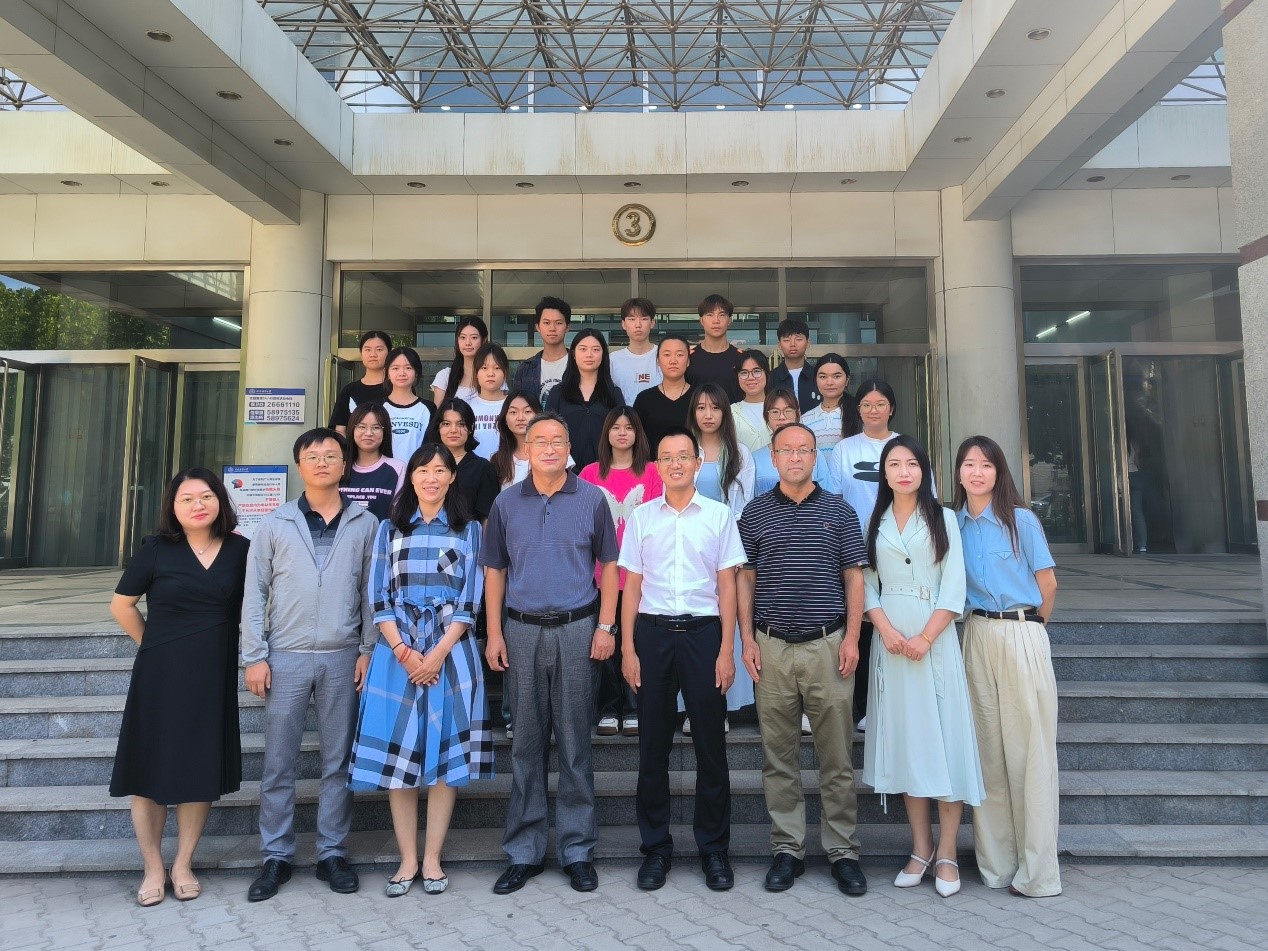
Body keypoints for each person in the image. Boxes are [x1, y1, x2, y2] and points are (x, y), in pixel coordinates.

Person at [480, 413, 619, 895]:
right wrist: (493, 633)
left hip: (578, 629)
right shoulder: (505, 502)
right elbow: (494, 570)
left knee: (576, 742)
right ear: (525, 448)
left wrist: (606, 626)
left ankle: (577, 850)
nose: (549, 448)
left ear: (568, 447)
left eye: (558, 440)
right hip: (520, 630)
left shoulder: (592, 499)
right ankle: (525, 850)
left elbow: (609, 566)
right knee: (526, 743)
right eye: (539, 440)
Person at [348, 443, 492, 897]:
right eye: (423, 470)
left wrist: (437, 653)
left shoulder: (470, 530)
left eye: (440, 471)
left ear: (453, 478)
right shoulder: (389, 528)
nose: (432, 478)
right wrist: (405, 651)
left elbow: (471, 599)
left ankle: (432, 858)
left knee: (445, 759)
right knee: (400, 758)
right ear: (410, 477)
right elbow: (378, 595)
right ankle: (407, 859)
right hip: (398, 655)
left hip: (453, 651)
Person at [241, 428, 378, 902]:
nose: (322, 462)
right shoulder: (275, 523)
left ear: (345, 465)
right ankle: (275, 856)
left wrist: (368, 649)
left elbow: (371, 593)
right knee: (278, 763)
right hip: (286, 656)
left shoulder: (365, 523)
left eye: (331, 455)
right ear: (299, 465)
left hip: (343, 656)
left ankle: (331, 854)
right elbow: (254, 594)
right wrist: (255, 656)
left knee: (338, 761)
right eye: (313, 456)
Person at [737, 422, 868, 898]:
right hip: (771, 646)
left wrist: (852, 638)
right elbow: (745, 579)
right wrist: (747, 640)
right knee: (779, 757)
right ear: (773, 458)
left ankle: (843, 852)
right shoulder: (754, 513)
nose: (795, 457)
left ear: (816, 457)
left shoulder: (840, 511)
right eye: (786, 450)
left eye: (803, 450)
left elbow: (854, 577)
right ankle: (787, 849)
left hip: (827, 646)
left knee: (836, 757)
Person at [109, 468, 249, 907]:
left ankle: (183, 863)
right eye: (186, 498)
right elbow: (122, 606)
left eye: (205, 496)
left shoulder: (241, 550)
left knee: (198, 770)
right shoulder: (156, 549)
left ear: (220, 501)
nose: (197, 505)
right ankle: (153, 867)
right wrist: (153, 644)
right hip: (160, 673)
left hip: (212, 674)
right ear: (173, 506)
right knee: (148, 771)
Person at [861, 435, 982, 899]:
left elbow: (954, 586)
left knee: (945, 742)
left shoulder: (944, 518)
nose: (904, 472)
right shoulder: (875, 521)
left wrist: (926, 637)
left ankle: (948, 852)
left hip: (935, 638)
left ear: (924, 470)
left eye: (912, 464)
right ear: (884, 473)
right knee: (909, 744)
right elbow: (866, 584)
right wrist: (885, 630)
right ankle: (921, 848)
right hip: (891, 641)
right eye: (895, 464)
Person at [954, 434, 1061, 898]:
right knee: (988, 755)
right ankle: (997, 866)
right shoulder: (954, 524)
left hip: (1021, 632)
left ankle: (1038, 873)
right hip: (975, 633)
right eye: (969, 464)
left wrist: (1032, 630)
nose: (977, 472)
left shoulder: (1021, 520)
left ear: (999, 472)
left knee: (1030, 753)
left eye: (986, 464)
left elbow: (1048, 585)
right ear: (958, 473)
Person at [822, 379, 907, 730]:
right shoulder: (845, 449)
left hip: (899, 549)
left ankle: (895, 703)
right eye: (867, 405)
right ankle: (863, 705)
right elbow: (835, 499)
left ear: (891, 408)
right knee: (861, 626)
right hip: (855, 549)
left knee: (895, 620)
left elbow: (926, 498)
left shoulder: (905, 447)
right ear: (858, 411)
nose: (873, 410)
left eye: (880, 404)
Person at [579, 407, 664, 738]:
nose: (623, 433)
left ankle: (634, 708)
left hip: (641, 575)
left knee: (637, 643)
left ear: (638, 433)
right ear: (607, 433)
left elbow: (658, 521)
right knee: (606, 641)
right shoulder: (590, 473)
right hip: (600, 575)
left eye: (629, 427)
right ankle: (609, 708)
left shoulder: (652, 472)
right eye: (616, 427)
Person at [545, 328, 625, 472]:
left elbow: (622, 432)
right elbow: (547, 433)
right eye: (583, 349)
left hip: (605, 471)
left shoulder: (613, 393)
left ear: (603, 354)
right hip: (565, 472)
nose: (589, 354)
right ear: (573, 354)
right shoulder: (558, 393)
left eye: (596, 349)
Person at [425, 398, 500, 522]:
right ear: (438, 428)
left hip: (468, 533)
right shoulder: (424, 463)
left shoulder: (483, 468)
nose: (453, 430)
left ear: (470, 428)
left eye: (461, 424)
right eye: (446, 424)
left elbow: (487, 518)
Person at [339, 403, 405, 521]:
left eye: (376, 427)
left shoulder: (398, 468)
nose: (368, 433)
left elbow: (399, 515)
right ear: (352, 430)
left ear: (385, 432)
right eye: (362, 427)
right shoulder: (339, 466)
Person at [632, 334, 693, 454]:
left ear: (688, 361)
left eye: (679, 355)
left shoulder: (700, 397)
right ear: (658, 361)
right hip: (653, 465)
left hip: (692, 465)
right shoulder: (644, 399)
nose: (673, 361)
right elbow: (636, 441)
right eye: (667, 355)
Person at [329, 330, 392, 433]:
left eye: (379, 349)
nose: (373, 354)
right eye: (367, 350)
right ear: (361, 353)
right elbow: (340, 430)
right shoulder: (349, 390)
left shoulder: (398, 388)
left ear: (389, 353)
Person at [512, 296, 571, 404]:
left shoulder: (579, 364)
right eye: (546, 323)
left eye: (558, 323)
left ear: (567, 327)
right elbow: (517, 406)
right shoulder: (525, 369)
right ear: (538, 327)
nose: (552, 328)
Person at [686, 294, 744, 403]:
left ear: (729, 320)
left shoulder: (741, 358)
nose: (716, 320)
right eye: (710, 315)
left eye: (722, 315)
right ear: (701, 320)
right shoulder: (688, 358)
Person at [383, 346, 436, 465]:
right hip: (384, 473)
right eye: (395, 368)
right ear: (388, 373)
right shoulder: (378, 407)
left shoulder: (428, 408)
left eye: (408, 368)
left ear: (416, 373)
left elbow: (432, 446)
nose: (402, 373)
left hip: (418, 472)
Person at [800, 353, 856, 458]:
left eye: (836, 376)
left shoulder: (859, 414)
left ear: (847, 380)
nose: (829, 382)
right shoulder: (805, 420)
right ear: (815, 380)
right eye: (823, 377)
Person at [609, 297, 661, 400]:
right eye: (632, 319)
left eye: (644, 319)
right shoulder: (613, 359)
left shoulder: (663, 355)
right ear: (623, 324)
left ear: (652, 323)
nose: (638, 325)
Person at [430, 316, 489, 406]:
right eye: (462, 337)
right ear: (457, 340)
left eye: (474, 337)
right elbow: (439, 413)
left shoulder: (492, 375)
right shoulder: (445, 376)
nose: (468, 343)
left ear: (484, 340)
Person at [490, 389, 543, 489]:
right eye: (513, 412)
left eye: (527, 411)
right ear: (505, 419)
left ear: (539, 416)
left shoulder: (553, 453)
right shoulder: (497, 461)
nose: (520, 418)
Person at [752, 389, 801, 496]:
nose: (782, 417)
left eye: (788, 411)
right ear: (766, 417)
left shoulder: (812, 454)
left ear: (797, 414)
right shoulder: (753, 459)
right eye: (775, 412)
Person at [766, 318, 820, 412]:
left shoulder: (818, 376)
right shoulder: (770, 378)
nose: (793, 344)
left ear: (808, 343)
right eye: (787, 340)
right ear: (779, 345)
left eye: (798, 339)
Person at [468, 341, 509, 461]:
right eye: (484, 368)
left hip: (507, 469)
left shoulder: (513, 406)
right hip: (475, 470)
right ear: (476, 373)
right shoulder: (466, 406)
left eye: (497, 368)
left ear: (505, 373)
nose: (490, 374)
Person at [731, 349, 772, 452]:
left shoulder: (781, 408)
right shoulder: (730, 412)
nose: (750, 378)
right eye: (744, 373)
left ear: (766, 373)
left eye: (756, 371)